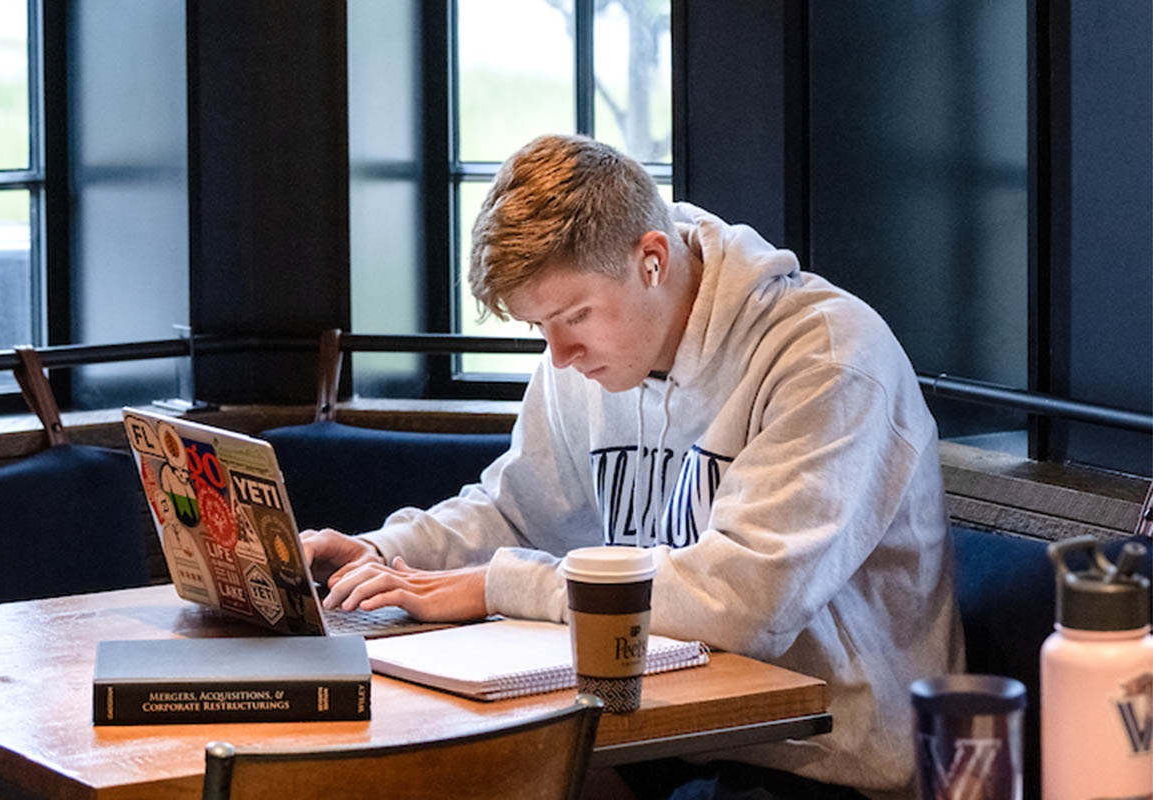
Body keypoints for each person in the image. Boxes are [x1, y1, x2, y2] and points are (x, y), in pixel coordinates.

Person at [301, 134, 964, 799]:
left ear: (651, 259)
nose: (559, 355)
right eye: (540, 329)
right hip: (670, 733)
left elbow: (742, 605)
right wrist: (379, 555)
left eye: (574, 317)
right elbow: (516, 512)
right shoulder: (589, 359)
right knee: (448, 779)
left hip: (826, 760)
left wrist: (498, 586)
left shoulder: (829, 359)